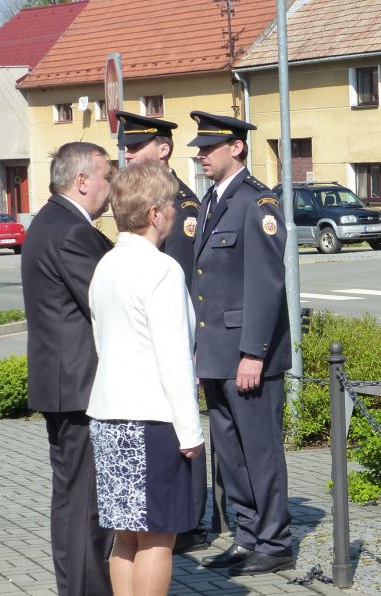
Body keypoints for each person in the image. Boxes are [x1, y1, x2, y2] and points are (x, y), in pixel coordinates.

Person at [87, 160, 203, 596]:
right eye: (172, 203)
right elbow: (173, 358)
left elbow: (101, 339)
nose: (176, 211)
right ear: (154, 213)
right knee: (159, 534)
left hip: (108, 413)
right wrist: (191, 430)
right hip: (152, 417)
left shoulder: (107, 265)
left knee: (125, 534)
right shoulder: (161, 269)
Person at [21, 142, 123, 596]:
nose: (111, 187)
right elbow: (107, 303)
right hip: (80, 388)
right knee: (86, 505)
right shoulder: (71, 232)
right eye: (107, 177)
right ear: (82, 181)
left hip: (67, 384)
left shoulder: (52, 222)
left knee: (75, 500)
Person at [187, 111, 294, 576]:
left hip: (248, 356)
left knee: (260, 451)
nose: (201, 156)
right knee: (230, 453)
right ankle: (247, 535)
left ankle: (275, 541)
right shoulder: (211, 202)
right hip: (216, 353)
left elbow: (266, 286)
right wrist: (199, 349)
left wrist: (254, 353)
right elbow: (204, 282)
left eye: (209, 148)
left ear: (237, 148)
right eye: (199, 148)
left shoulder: (257, 203)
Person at [115, 110, 213, 555]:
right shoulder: (142, 199)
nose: (129, 155)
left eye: (137, 147)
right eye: (126, 148)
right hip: (150, 334)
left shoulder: (181, 205)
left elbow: (188, 278)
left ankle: (188, 522)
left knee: (183, 422)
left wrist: (192, 346)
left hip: (177, 329)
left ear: (164, 149)